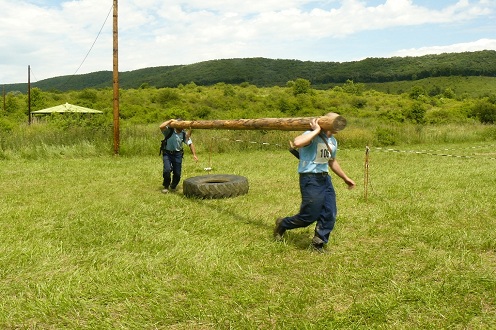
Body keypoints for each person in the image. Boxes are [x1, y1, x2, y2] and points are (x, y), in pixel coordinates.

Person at [274, 116, 355, 252]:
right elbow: (297, 142)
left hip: (325, 179)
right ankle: (283, 223)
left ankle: (318, 243)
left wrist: (345, 178)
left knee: (330, 212)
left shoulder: (333, 141)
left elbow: (331, 161)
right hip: (310, 179)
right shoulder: (311, 134)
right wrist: (316, 130)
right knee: (309, 216)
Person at [159, 119, 198, 193]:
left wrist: (194, 155)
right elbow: (161, 126)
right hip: (167, 153)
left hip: (177, 154)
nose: (183, 127)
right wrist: (171, 120)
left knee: (177, 173)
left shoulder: (183, 134)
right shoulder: (169, 131)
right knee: (167, 170)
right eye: (181, 124)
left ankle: (173, 185)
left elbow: (190, 144)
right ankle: (166, 186)